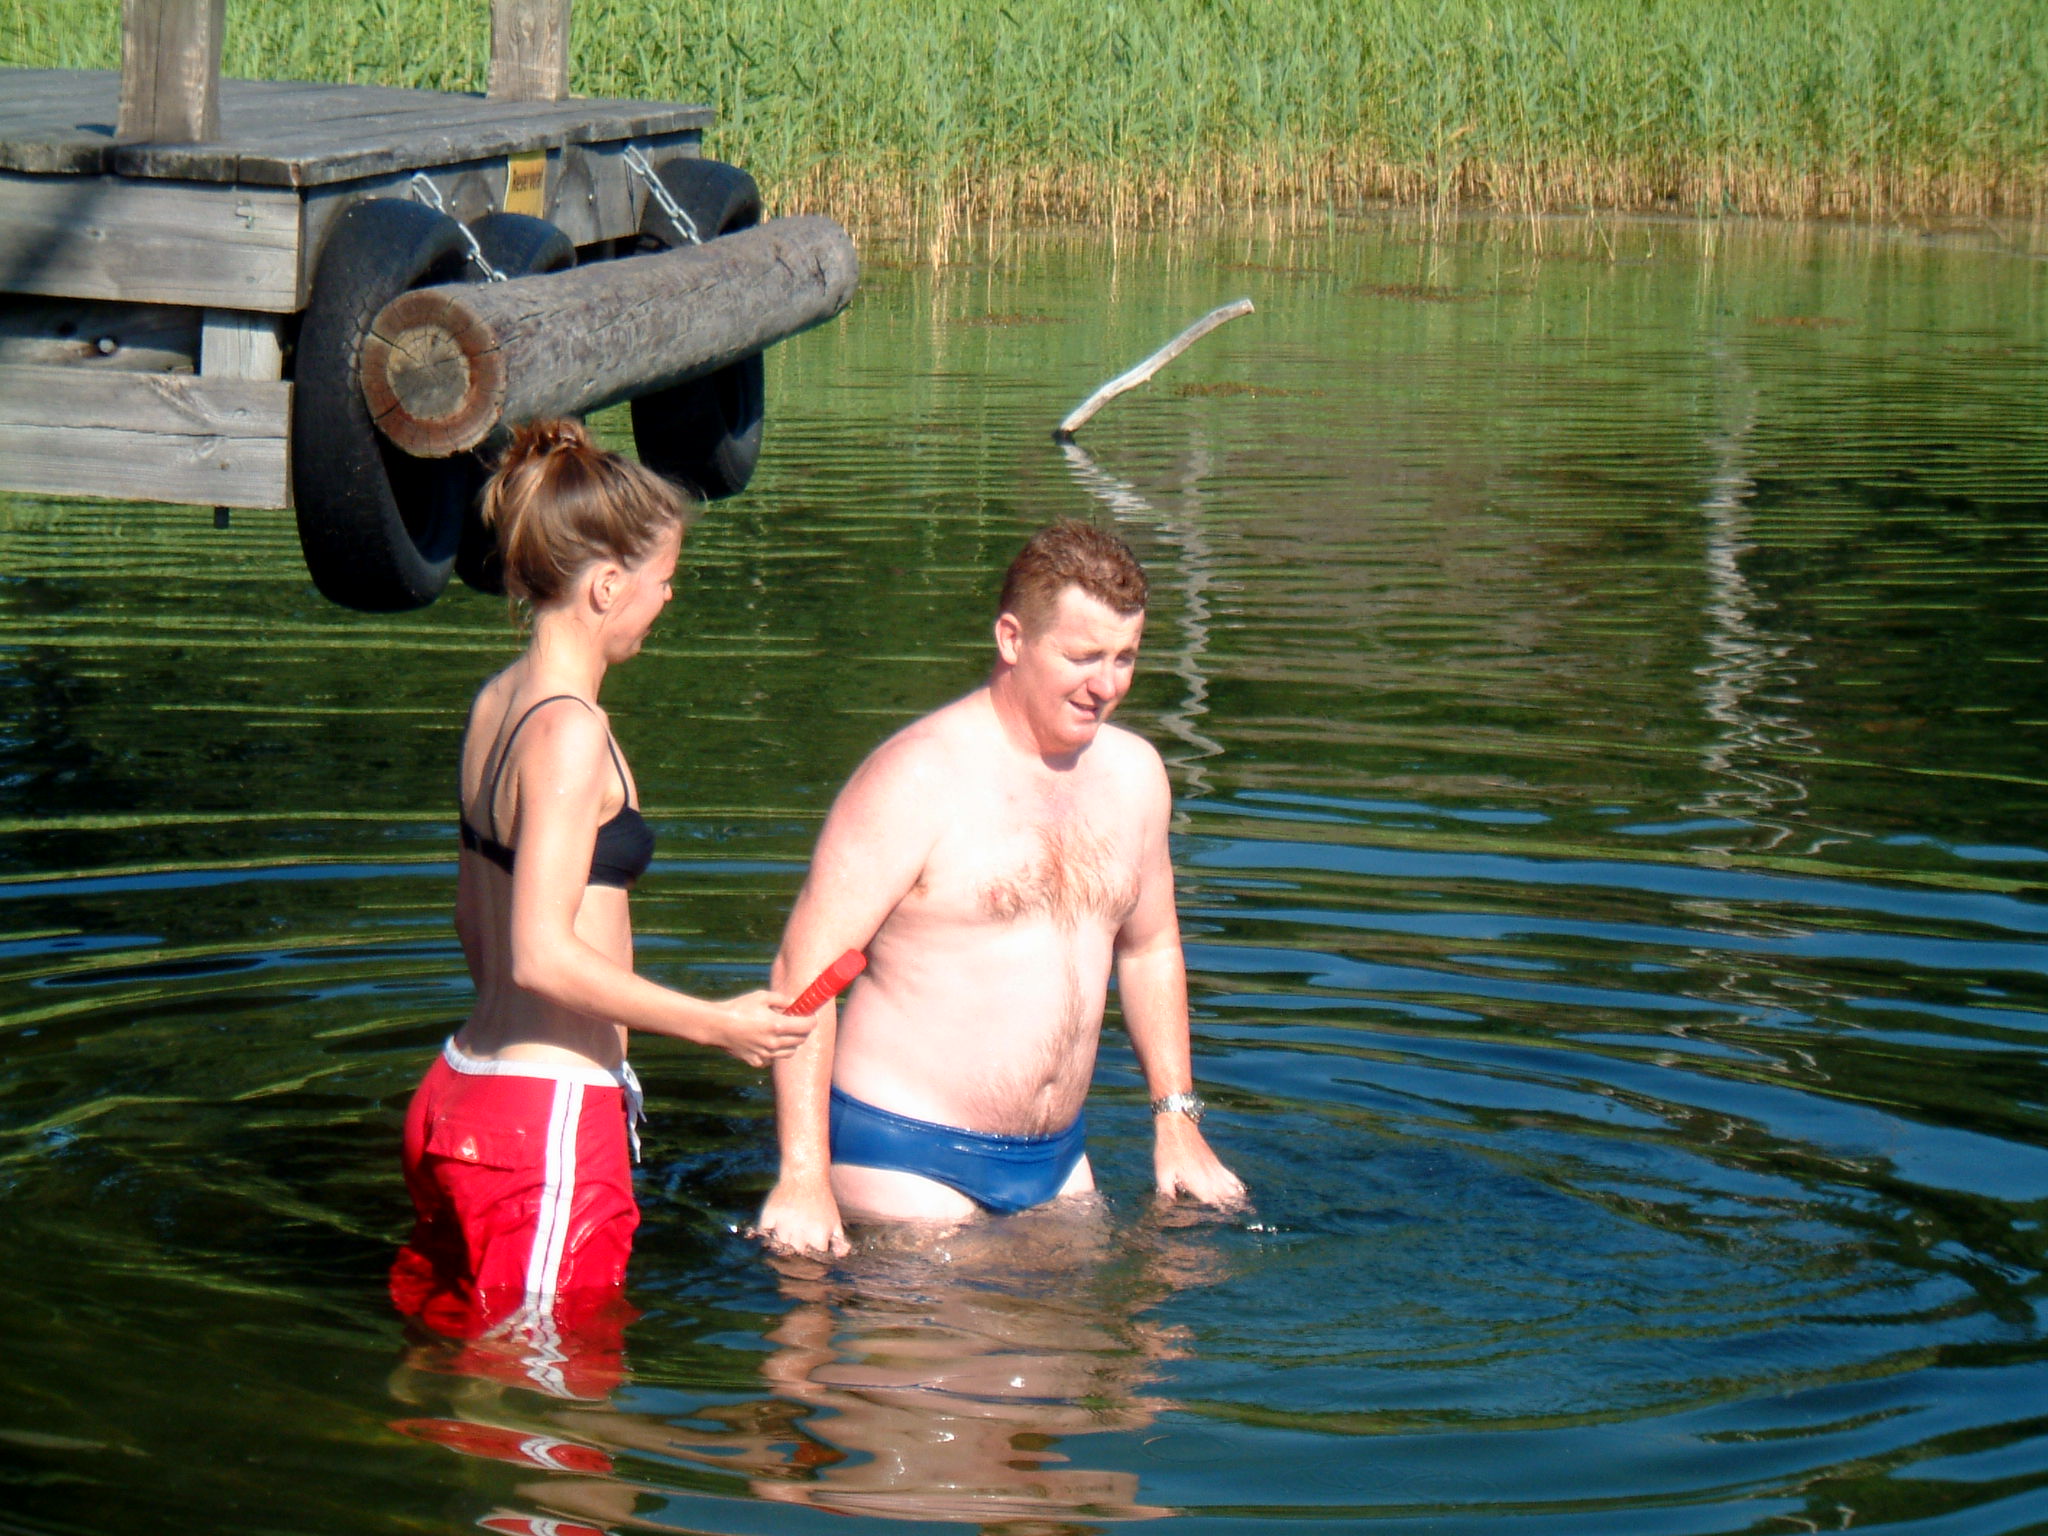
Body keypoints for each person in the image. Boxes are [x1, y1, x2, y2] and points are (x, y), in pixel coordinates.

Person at [391, 419, 812, 1340]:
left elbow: (474, 921)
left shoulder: (498, 702)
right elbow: (540, 954)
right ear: (607, 586)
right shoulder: (571, 731)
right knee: (554, 1393)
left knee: (455, 1368)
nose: (667, 600)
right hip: (538, 1121)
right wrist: (716, 1024)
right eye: (663, 581)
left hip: (461, 1092)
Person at [756, 519, 1245, 1256]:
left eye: (1125, 657)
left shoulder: (1135, 776)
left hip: (1058, 1160)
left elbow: (1149, 950)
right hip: (904, 1153)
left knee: (1098, 1328)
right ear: (1012, 639)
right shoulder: (918, 777)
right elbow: (805, 972)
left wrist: (1177, 1120)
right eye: (1082, 657)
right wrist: (802, 1176)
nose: (1107, 685)